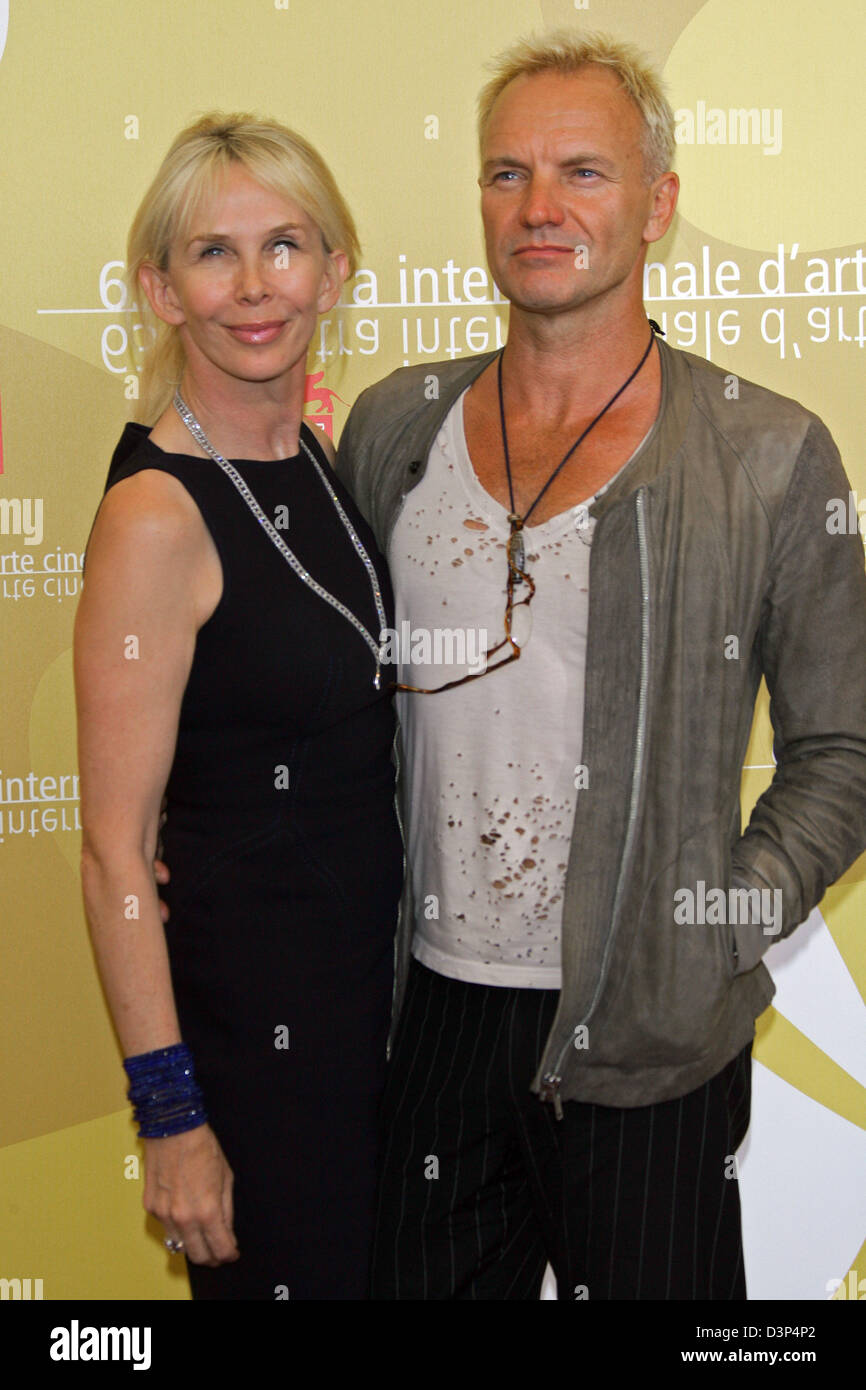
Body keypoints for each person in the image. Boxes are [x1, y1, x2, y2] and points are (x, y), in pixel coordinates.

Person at [334, 31, 866, 1299]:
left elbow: (841, 750)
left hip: (646, 1034)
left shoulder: (768, 454)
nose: (538, 207)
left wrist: (712, 931)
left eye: (582, 170)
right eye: (505, 173)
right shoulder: (391, 425)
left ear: (657, 203)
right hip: (430, 1018)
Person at [74, 114, 403, 1300]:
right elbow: (116, 839)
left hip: (370, 1034)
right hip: (255, 1071)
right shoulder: (157, 512)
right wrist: (170, 1117)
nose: (255, 287)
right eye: (213, 254)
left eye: (285, 246)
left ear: (337, 268)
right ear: (160, 289)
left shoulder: (313, 456)